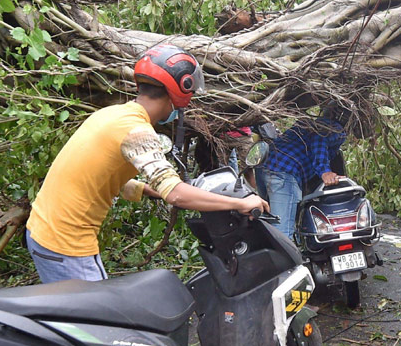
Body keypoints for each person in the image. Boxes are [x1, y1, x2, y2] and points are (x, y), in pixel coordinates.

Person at [25, 43, 269, 284]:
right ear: (182, 91)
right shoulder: (137, 131)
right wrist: (241, 203)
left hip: (41, 231)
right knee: (102, 320)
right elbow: (176, 195)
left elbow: (101, 175)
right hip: (65, 243)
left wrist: (148, 189)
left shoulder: (112, 114)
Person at [262, 105, 347, 241]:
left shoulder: (308, 122)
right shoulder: (335, 128)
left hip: (266, 165)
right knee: (283, 234)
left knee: (270, 221)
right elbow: (320, 137)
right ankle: (287, 262)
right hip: (284, 171)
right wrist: (324, 171)